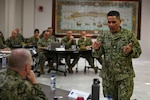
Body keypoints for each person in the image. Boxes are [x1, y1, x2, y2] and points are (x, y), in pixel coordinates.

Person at [92, 11, 142, 100]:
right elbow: (97, 55)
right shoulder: (103, 35)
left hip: (124, 76)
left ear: (120, 21)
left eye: (114, 22)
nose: (111, 25)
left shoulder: (128, 35)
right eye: (109, 22)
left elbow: (138, 52)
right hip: (108, 77)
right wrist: (96, 49)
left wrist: (130, 51)